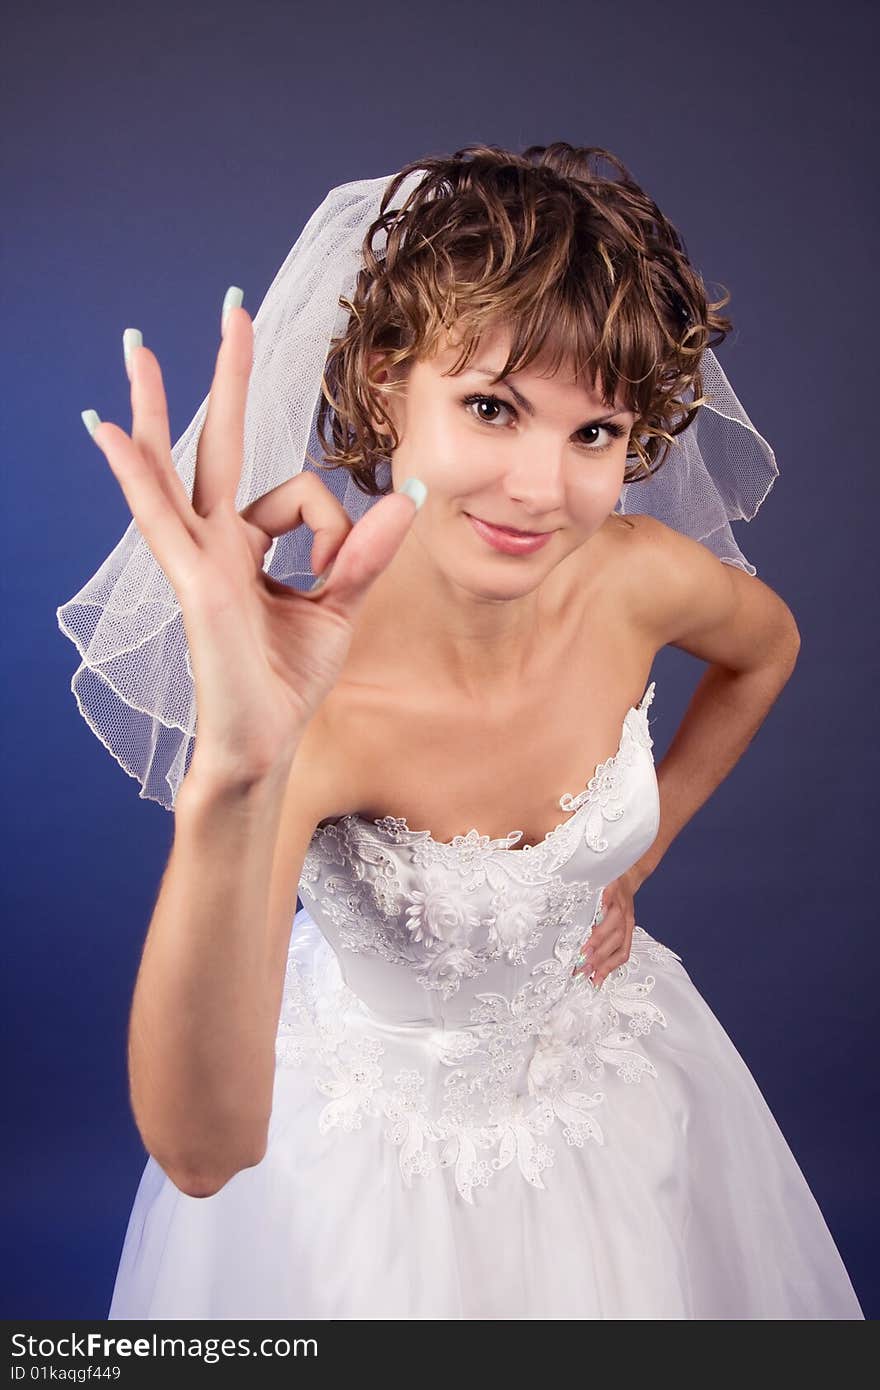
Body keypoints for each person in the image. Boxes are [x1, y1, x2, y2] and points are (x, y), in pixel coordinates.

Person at [63, 143, 864, 1318]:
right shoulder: (318, 712)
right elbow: (201, 1155)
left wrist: (640, 851)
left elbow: (769, 645)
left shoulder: (634, 577)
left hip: (619, 1105)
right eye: (491, 407)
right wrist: (236, 770)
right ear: (389, 379)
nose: (543, 486)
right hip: (380, 1184)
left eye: (593, 433)